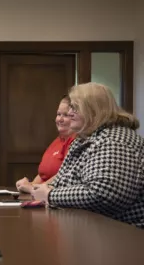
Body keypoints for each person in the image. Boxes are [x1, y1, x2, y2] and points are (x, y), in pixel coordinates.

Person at [32, 83, 144, 228]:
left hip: (121, 235)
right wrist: (43, 190)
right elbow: (62, 180)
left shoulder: (113, 141)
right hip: (93, 229)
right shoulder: (86, 138)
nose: (70, 113)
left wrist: (50, 195)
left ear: (94, 110)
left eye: (76, 108)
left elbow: (102, 194)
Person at [16, 95, 75, 193]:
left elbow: (63, 174)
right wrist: (29, 185)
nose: (60, 119)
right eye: (58, 114)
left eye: (65, 115)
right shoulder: (57, 141)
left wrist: (34, 189)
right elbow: (42, 174)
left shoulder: (76, 141)